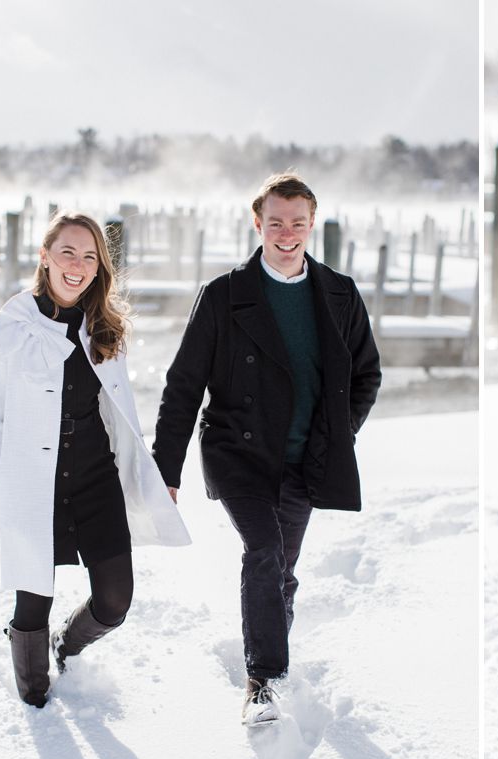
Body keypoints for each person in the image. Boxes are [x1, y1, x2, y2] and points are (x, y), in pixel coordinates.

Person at [152, 172, 381, 727]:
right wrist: (165, 470)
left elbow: (366, 376)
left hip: (306, 459)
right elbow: (184, 385)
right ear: (257, 223)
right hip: (238, 453)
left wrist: (337, 433)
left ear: (312, 223)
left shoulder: (339, 293)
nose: (286, 233)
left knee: (283, 568)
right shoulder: (224, 295)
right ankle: (264, 683)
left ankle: (270, 660)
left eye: (297, 222)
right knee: (264, 550)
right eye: (275, 222)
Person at [0, 212, 190, 709]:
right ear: (45, 256)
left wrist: (148, 475)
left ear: (99, 267)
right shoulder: (8, 329)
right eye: (67, 252)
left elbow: (121, 413)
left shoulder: (104, 328)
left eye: (89, 256)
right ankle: (35, 699)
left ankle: (66, 646)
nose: (77, 265)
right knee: (32, 601)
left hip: (95, 476)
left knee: (115, 600)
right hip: (32, 480)